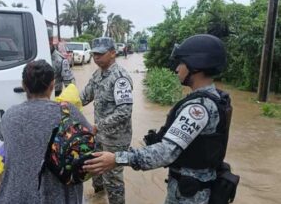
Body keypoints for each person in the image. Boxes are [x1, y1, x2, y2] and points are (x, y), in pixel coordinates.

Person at [83, 34, 232, 204]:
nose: (177, 69)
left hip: (190, 195)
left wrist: (117, 158)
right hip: (190, 189)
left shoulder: (198, 108)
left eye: (182, 63)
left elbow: (165, 152)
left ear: (197, 66)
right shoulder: (210, 99)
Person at [0, 60, 91, 204]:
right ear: (52, 85)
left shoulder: (9, 115)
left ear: (24, 86)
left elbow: (3, 136)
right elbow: (88, 138)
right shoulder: (68, 111)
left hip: (13, 197)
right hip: (60, 198)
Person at [80, 37, 133, 204]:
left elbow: (125, 111)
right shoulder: (98, 74)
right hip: (98, 134)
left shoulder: (120, 78)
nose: (96, 58)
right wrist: (65, 105)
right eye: (94, 54)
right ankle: (99, 196)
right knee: (94, 166)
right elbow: (85, 96)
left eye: (100, 54)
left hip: (115, 138)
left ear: (112, 53)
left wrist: (98, 126)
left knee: (113, 177)